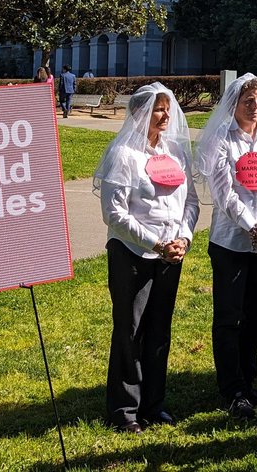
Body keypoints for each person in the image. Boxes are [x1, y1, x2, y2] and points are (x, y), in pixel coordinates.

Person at [94, 83, 199, 432]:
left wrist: (183, 237)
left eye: (169, 108)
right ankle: (125, 410)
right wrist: (156, 244)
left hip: (171, 253)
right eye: (158, 109)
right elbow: (115, 214)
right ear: (140, 113)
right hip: (134, 254)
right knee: (131, 330)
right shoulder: (124, 154)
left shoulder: (174, 153)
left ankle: (154, 404)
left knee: (159, 331)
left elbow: (192, 202)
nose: (166, 115)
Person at [195, 74, 257, 420]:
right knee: (228, 316)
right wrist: (251, 225)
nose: (254, 107)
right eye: (248, 101)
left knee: (254, 314)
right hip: (231, 241)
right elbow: (224, 193)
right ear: (234, 105)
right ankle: (232, 387)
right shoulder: (222, 140)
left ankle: (249, 380)